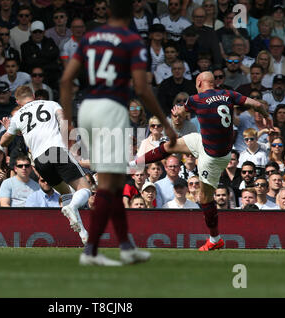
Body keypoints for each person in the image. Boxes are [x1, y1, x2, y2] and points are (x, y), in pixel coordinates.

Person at [60, 0, 176, 266]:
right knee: (108, 184)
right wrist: (167, 126)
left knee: (112, 183)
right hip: (111, 109)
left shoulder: (89, 37)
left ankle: (125, 247)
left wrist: (67, 123)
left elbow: (66, 80)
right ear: (131, 16)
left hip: (87, 108)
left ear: (109, 12)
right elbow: (143, 89)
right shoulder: (132, 40)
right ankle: (91, 252)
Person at [132, 71, 271, 251]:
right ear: (214, 84)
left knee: (205, 199)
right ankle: (135, 162)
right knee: (169, 146)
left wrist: (177, 113)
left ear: (199, 82)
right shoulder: (229, 94)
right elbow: (257, 104)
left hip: (214, 158)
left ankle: (215, 239)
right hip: (205, 142)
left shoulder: (196, 99)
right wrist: (266, 115)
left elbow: (179, 113)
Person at [0, 86, 92, 244]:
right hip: (56, 151)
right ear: (34, 96)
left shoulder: (17, 117)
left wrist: (10, 129)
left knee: (65, 192)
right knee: (85, 189)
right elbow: (63, 120)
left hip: (40, 161)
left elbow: (3, 142)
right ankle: (72, 208)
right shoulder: (50, 104)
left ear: (17, 101)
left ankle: (83, 233)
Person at [20, 20, 61, 90]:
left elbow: (56, 54)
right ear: (30, 33)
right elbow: (30, 62)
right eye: (35, 32)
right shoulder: (25, 46)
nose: (37, 34)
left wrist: (37, 55)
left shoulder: (50, 41)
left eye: (40, 32)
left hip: (52, 79)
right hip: (34, 80)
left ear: (44, 32)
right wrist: (48, 57)